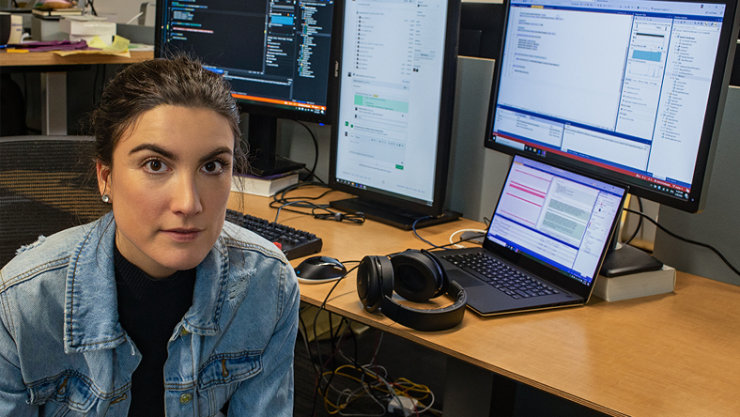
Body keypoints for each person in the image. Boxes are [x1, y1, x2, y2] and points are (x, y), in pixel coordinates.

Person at [0, 56, 300, 416]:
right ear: (106, 177)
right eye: (155, 165)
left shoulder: (268, 285)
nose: (189, 203)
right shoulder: (23, 303)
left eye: (212, 166)